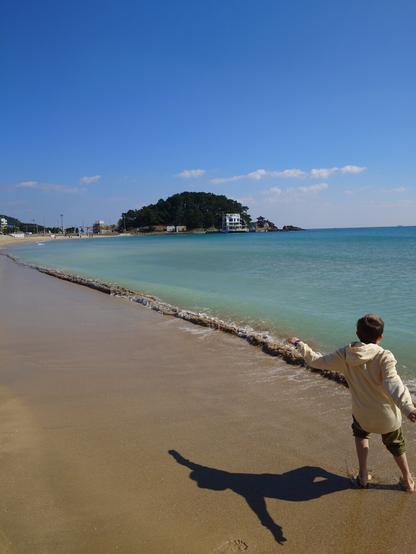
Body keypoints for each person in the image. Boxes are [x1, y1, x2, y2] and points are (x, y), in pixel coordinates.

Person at [288, 314, 416, 492]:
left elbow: (315, 361)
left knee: (361, 434)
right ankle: (408, 480)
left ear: (357, 333)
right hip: (387, 418)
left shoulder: (345, 354)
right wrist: (408, 408)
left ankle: (363, 476)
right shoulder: (384, 357)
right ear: (381, 337)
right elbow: (394, 384)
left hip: (362, 414)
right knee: (396, 445)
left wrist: (299, 344)